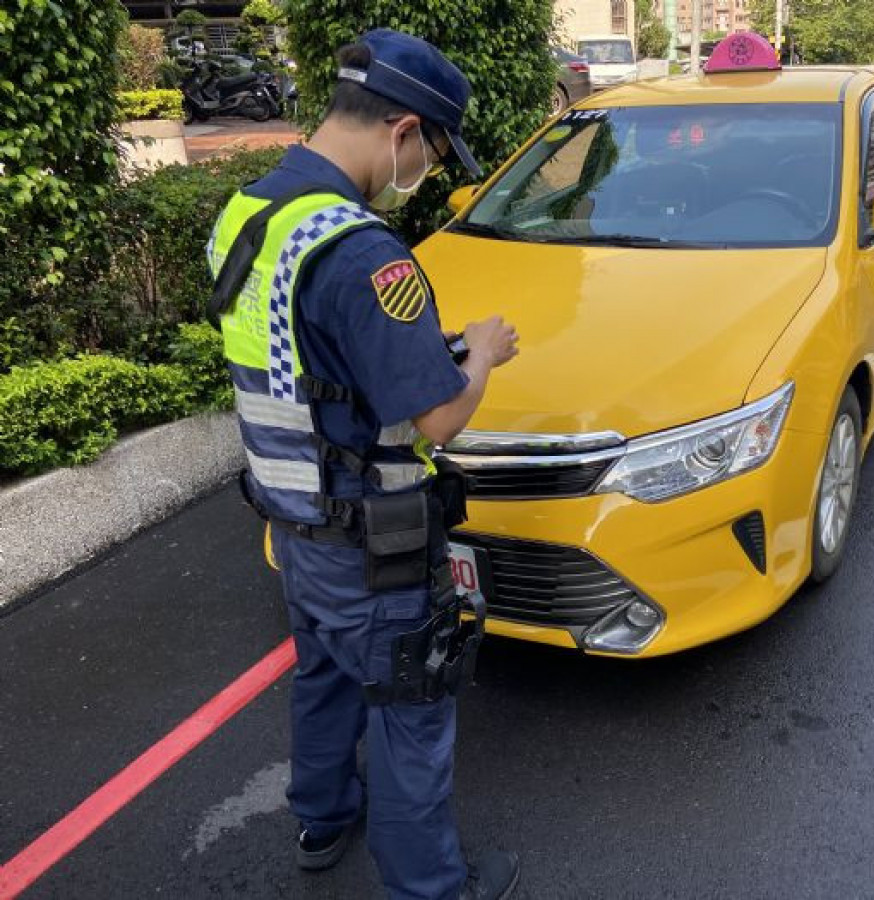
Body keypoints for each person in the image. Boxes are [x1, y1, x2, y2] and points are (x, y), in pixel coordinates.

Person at [205, 29, 521, 900]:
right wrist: (483, 352)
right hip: (371, 545)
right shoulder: (364, 252)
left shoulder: (255, 214)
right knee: (413, 703)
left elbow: (305, 361)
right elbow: (441, 417)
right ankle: (432, 887)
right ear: (403, 131)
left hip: (293, 520)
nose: (422, 167)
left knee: (323, 675)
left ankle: (322, 818)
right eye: (431, 150)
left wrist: (419, 350)